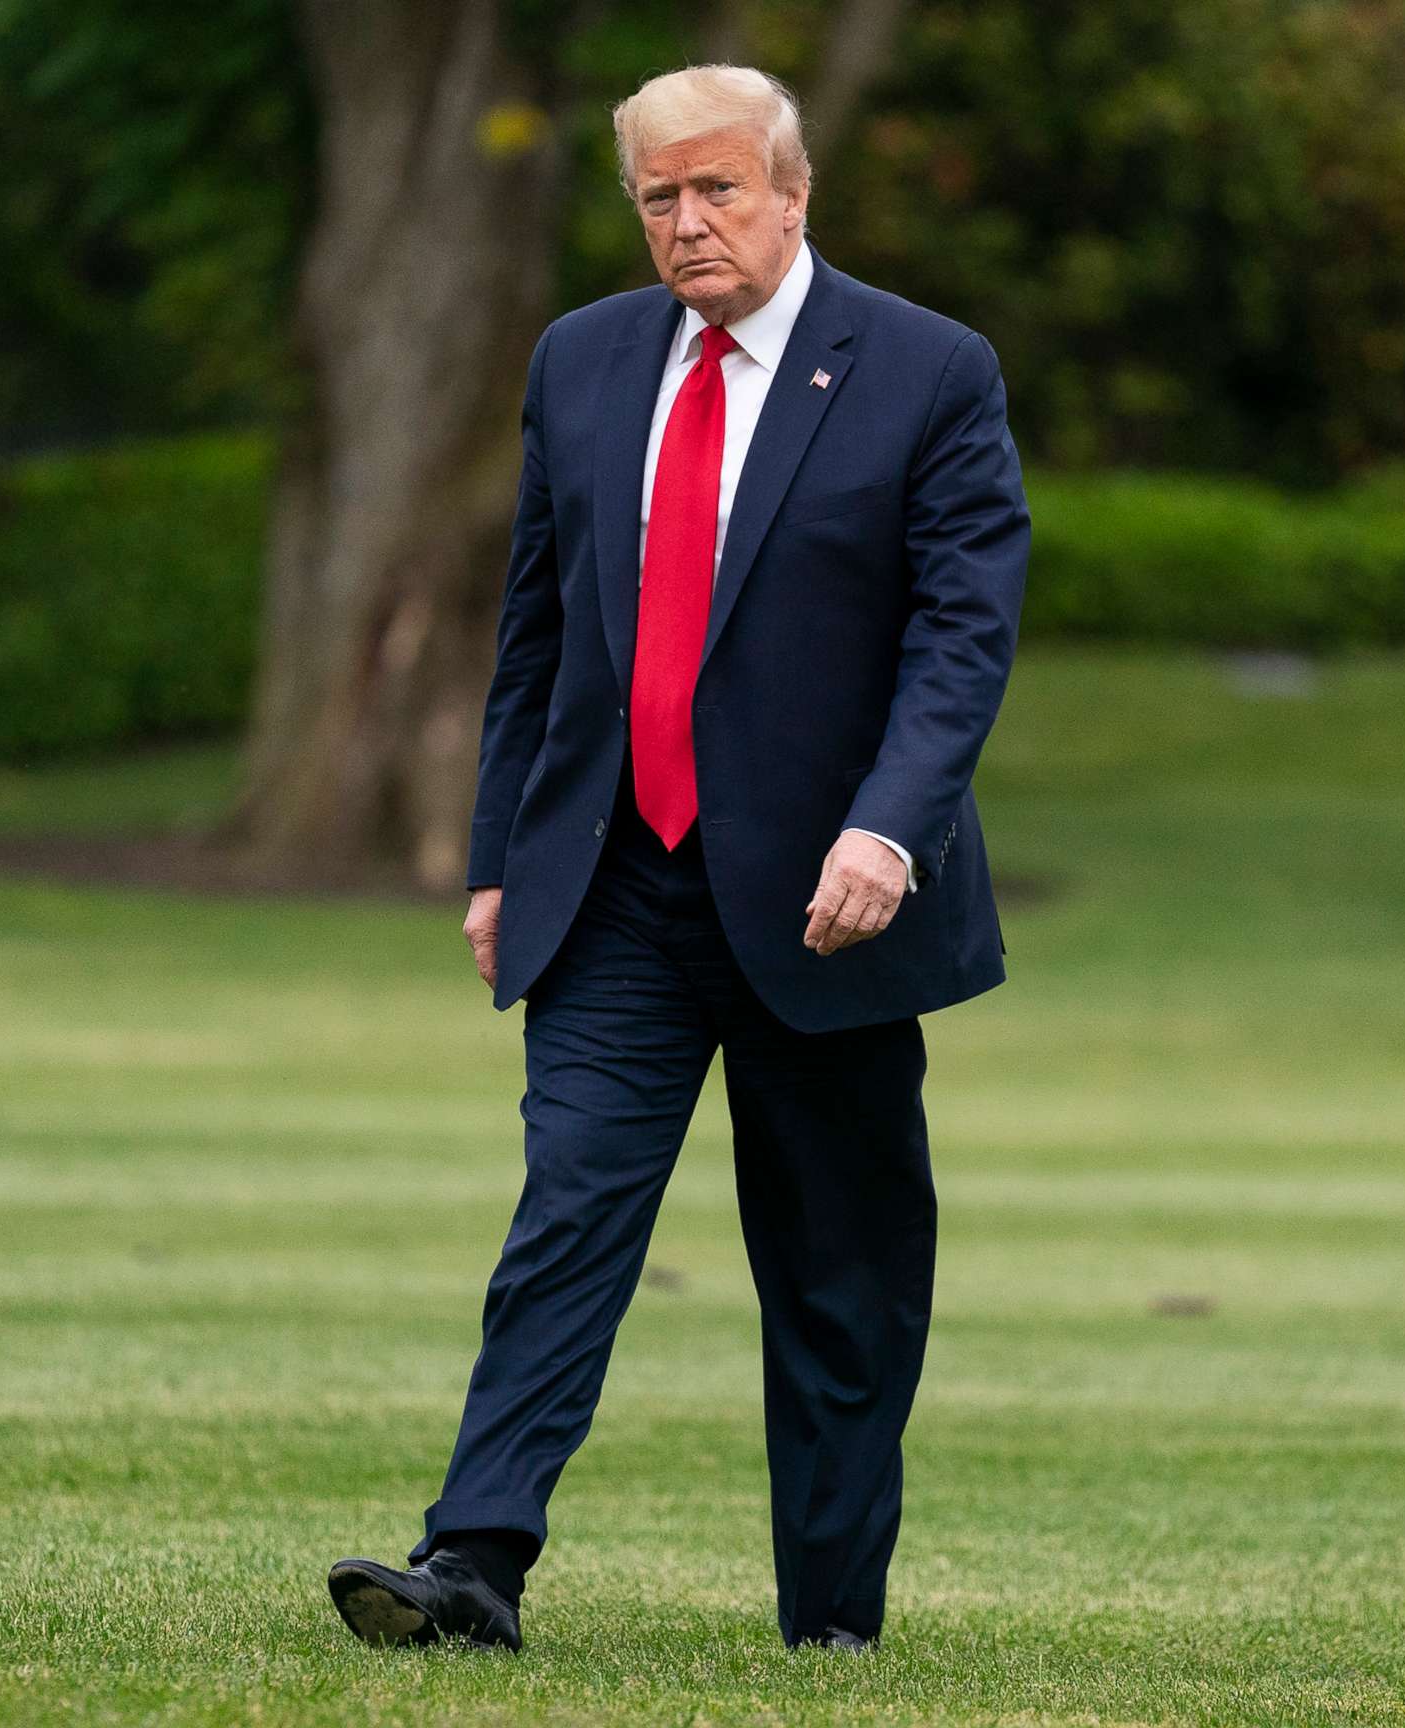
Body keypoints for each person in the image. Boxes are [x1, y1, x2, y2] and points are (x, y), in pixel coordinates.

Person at [323, 62, 1028, 1656]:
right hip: (617, 886)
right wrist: (502, 855)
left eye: (719, 189)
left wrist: (887, 824)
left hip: (828, 903)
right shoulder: (582, 361)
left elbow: (962, 634)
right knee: (565, 1215)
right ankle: (473, 1567)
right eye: (660, 197)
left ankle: (832, 1621)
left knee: (839, 1272)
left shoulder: (929, 371)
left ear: (793, 193)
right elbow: (538, 631)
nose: (688, 223)